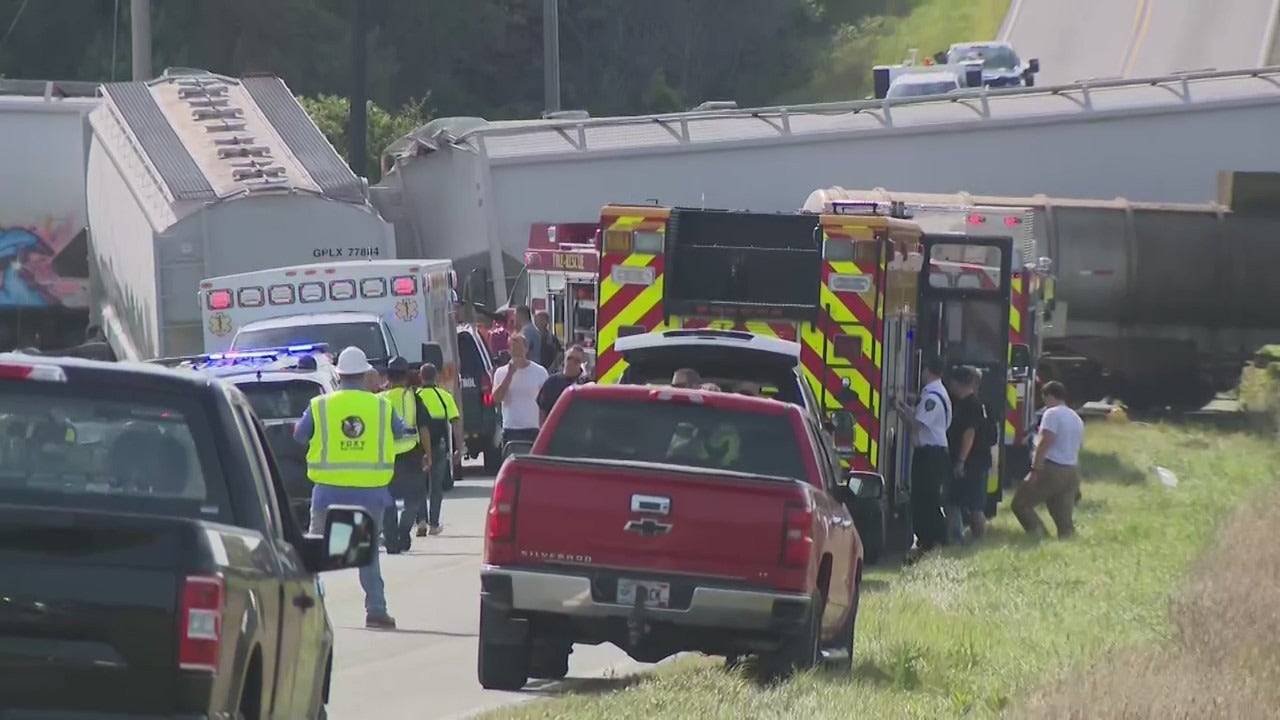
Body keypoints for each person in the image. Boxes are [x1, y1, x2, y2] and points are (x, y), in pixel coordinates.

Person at [293, 346, 415, 629]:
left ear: (338, 374)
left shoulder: (320, 405)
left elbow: (299, 436)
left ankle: (302, 611)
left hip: (327, 493)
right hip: (370, 494)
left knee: (315, 553)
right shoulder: (381, 406)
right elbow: (400, 433)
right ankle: (376, 610)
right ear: (365, 375)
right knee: (367, 553)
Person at [1012, 381, 1085, 539]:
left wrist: (1035, 470)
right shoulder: (1076, 417)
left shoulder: (1052, 414)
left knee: (1021, 504)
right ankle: (1067, 544)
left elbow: (1045, 442)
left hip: (1052, 468)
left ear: (1049, 396)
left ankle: (1040, 537)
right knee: (1064, 521)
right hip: (1071, 470)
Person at [896, 356, 951, 560]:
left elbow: (918, 424)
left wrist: (902, 412)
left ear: (928, 370)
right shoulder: (935, 393)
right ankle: (930, 542)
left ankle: (934, 541)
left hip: (930, 454)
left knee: (925, 499)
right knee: (924, 498)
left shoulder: (932, 398)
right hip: (931, 453)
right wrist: (903, 410)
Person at [378, 357, 434, 554]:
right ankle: (403, 530)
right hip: (410, 454)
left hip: (385, 457)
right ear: (406, 376)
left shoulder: (379, 399)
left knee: (387, 499)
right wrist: (428, 454)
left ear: (388, 376)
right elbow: (424, 427)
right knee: (415, 498)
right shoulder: (413, 398)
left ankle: (391, 539)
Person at [414, 363, 462, 537]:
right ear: (437, 377)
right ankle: (434, 524)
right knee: (436, 487)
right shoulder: (444, 396)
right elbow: (455, 423)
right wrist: (459, 448)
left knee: (418, 485)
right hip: (439, 446)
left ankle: (420, 520)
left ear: (420, 377)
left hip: (417, 447)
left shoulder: (415, 397)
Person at [944, 366, 988, 543]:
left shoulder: (972, 405)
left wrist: (961, 461)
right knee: (955, 500)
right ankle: (957, 537)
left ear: (958, 383)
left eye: (952, 382)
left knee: (974, 506)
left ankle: (978, 540)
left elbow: (969, 435)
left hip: (972, 463)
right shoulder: (966, 403)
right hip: (970, 461)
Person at [492, 333, 549, 445]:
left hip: (533, 430)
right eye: (513, 348)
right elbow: (496, 399)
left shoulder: (540, 372)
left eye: (519, 348)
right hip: (510, 430)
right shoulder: (501, 373)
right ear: (509, 351)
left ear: (526, 349)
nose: (517, 352)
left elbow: (547, 402)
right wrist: (509, 375)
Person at [537, 344, 589, 422]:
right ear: (564, 359)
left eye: (576, 361)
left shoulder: (586, 384)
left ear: (581, 363)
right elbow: (542, 411)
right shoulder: (552, 382)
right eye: (569, 358)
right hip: (555, 429)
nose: (572, 362)